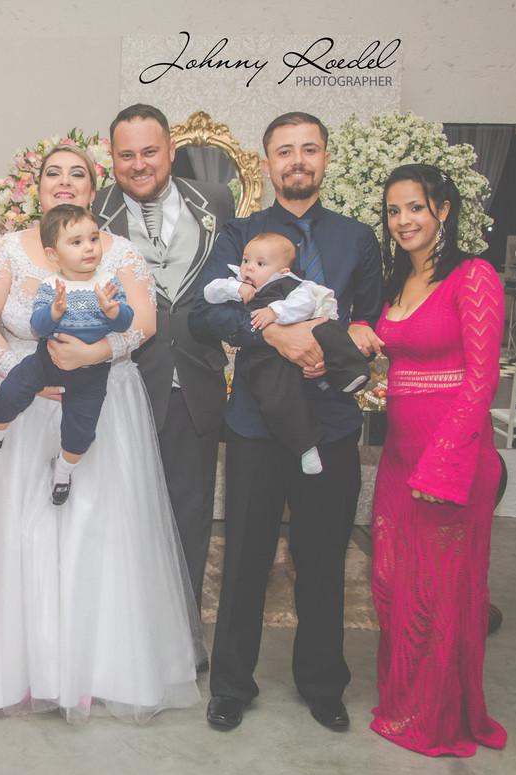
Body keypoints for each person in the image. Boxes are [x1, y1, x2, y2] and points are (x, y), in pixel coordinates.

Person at [0, 143, 205, 723]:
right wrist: (24, 373)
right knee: (20, 531)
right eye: (53, 174)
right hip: (23, 403)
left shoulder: (120, 251)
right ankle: (20, 668)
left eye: (77, 174)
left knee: (97, 524)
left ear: (94, 189)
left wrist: (96, 353)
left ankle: (100, 669)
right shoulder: (8, 251)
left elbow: (144, 323)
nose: (64, 181)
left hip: (105, 401)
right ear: (36, 188)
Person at [190, 111, 383, 731]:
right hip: (256, 424)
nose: (297, 160)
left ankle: (323, 682)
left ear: (324, 158)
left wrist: (355, 336)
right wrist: (275, 334)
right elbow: (204, 315)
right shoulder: (239, 234)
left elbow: (371, 318)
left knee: (322, 558)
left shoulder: (357, 238)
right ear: (267, 162)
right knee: (245, 558)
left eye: (309, 149)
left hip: (332, 423)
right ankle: (231, 684)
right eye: (285, 151)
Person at [370, 164, 507, 757]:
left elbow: (481, 380)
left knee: (441, 592)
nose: (403, 220)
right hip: (399, 453)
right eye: (393, 211)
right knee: (393, 582)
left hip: (449, 456)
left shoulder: (472, 276)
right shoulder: (398, 279)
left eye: (415, 208)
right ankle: (403, 703)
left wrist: (443, 462)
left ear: (443, 210)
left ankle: (438, 718)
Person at [93, 103, 235, 614]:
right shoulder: (93, 211)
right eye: (126, 155)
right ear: (111, 158)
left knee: (190, 518)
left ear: (172, 150)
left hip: (195, 383)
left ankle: (185, 636)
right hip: (121, 384)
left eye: (149, 152)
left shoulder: (216, 199)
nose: (138, 164)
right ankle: (126, 631)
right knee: (119, 518)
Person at [0, 204, 133, 504]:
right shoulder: (50, 286)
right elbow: (38, 326)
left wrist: (113, 311)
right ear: (53, 255)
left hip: (91, 374)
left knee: (81, 431)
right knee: (10, 391)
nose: (89, 247)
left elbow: (125, 323)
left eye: (94, 238)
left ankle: (64, 471)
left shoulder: (108, 282)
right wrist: (53, 312)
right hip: (45, 362)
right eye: (77, 242)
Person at [202, 232, 370, 474]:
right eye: (246, 260)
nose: (249, 267)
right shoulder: (238, 282)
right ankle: (306, 446)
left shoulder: (293, 284)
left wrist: (275, 312)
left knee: (329, 328)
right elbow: (209, 293)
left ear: (282, 271)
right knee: (278, 400)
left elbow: (305, 305)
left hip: (307, 337)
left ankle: (350, 373)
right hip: (265, 358)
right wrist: (235, 288)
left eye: (260, 263)